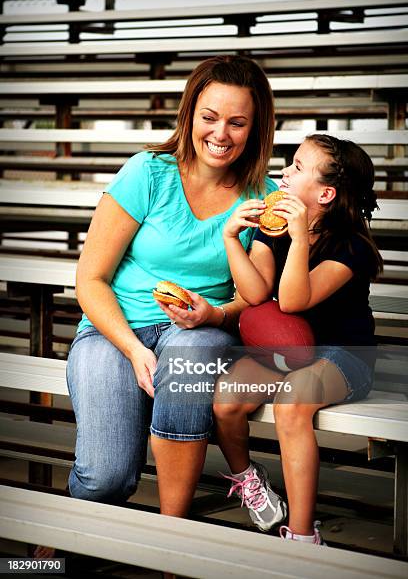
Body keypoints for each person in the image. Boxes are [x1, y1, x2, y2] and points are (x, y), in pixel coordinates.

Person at [34, 55, 278, 561]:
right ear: (189, 114)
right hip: (112, 330)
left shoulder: (265, 196)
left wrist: (213, 314)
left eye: (237, 122)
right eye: (209, 117)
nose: (221, 134)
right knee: (106, 477)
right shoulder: (148, 171)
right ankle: (42, 558)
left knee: (193, 348)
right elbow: (91, 278)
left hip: (203, 329)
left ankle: (174, 546)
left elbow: (254, 299)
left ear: (256, 128)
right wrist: (132, 348)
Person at [213, 134, 382, 545]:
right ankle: (250, 480)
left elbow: (292, 300)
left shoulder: (351, 246)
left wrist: (300, 238)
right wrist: (232, 239)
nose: (284, 173)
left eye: (298, 168)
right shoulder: (274, 230)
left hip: (344, 354)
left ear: (325, 193)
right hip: (290, 348)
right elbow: (255, 294)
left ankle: (304, 535)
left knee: (292, 402)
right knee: (226, 397)